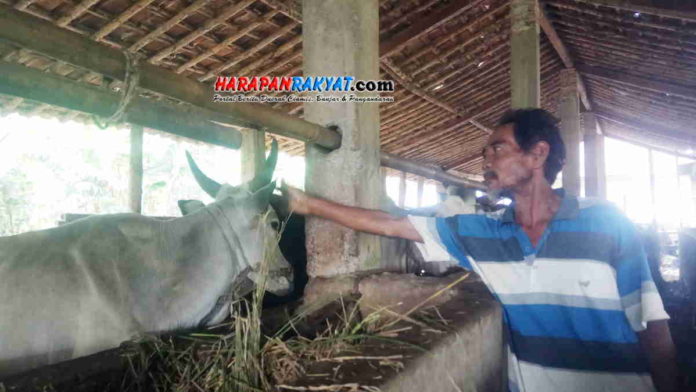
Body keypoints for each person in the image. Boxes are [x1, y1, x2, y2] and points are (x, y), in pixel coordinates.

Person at [282, 108, 679, 392]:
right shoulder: (481, 234)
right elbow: (391, 223)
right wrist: (309, 205)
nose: (485, 158)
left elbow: (651, 325)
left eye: (498, 149)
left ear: (537, 154)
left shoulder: (606, 223)